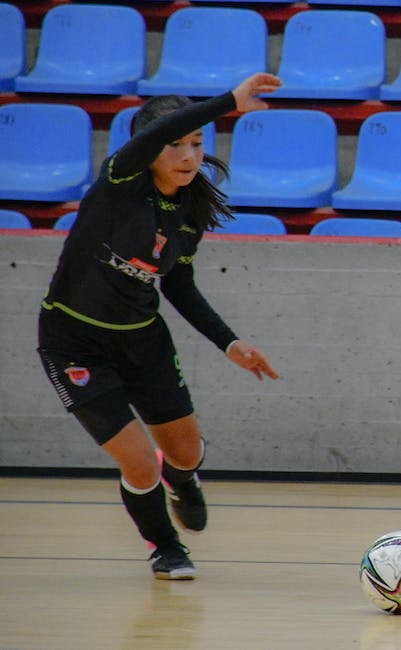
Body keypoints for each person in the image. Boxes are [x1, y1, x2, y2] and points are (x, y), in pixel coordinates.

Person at [36, 73, 283, 580]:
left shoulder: (188, 211)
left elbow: (179, 287)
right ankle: (165, 548)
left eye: (197, 144)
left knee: (185, 453)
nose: (189, 155)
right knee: (138, 464)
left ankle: (183, 480)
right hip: (74, 343)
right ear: (146, 148)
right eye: (176, 144)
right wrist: (229, 102)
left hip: (143, 340)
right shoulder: (119, 181)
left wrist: (229, 342)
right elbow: (153, 137)